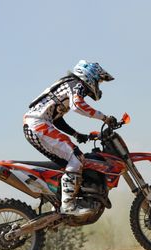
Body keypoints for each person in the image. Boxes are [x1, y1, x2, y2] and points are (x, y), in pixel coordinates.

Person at [23, 60, 116, 216]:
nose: (98, 85)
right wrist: (104, 118)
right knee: (77, 157)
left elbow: (57, 119)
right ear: (90, 75)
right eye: (98, 80)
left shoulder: (68, 85)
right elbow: (78, 105)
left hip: (36, 124)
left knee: (68, 163)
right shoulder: (75, 84)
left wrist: (75, 134)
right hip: (38, 124)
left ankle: (58, 206)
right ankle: (68, 206)